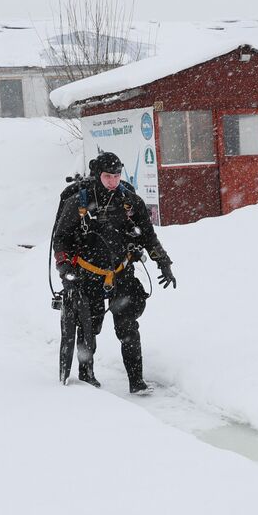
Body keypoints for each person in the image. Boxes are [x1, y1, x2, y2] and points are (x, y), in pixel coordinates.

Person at [53, 151, 176, 392]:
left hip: (121, 273)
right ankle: (86, 376)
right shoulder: (78, 203)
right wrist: (64, 268)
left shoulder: (130, 202)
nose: (113, 181)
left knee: (128, 328)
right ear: (98, 175)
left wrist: (163, 262)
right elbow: (61, 239)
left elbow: (149, 237)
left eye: (117, 176)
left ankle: (137, 381)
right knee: (89, 328)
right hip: (88, 275)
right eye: (108, 176)